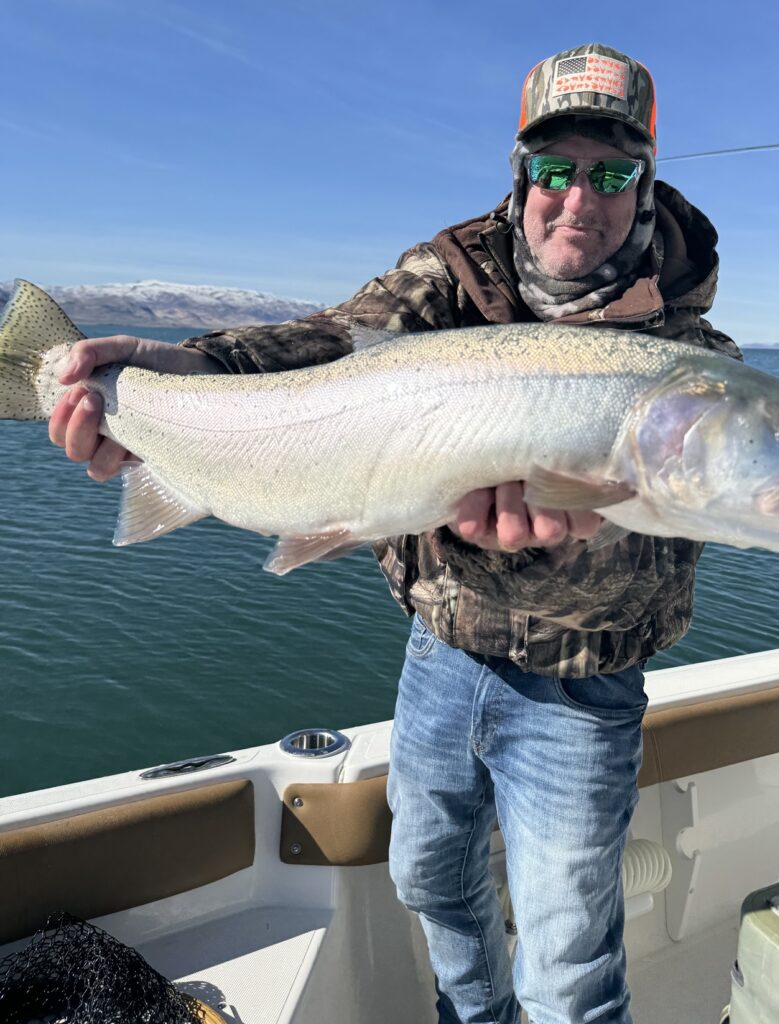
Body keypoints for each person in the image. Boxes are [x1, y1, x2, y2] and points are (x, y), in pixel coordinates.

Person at [50, 43, 741, 1024]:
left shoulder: (689, 358)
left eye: (612, 170)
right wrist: (179, 374)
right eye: (554, 166)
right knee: (427, 873)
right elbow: (327, 346)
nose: (577, 196)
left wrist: (551, 539)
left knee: (570, 958)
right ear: (521, 171)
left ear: (646, 180)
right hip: (440, 652)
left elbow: (670, 533)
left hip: (581, 692)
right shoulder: (448, 270)